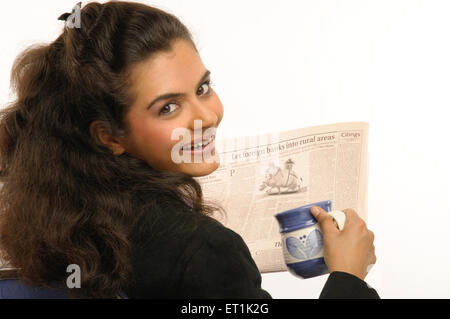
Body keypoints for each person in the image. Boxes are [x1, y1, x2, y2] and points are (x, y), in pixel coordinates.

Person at [0, 1, 378, 299]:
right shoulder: (204, 247)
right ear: (110, 136)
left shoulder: (45, 216)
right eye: (168, 107)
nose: (206, 117)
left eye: (202, 88)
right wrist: (348, 277)